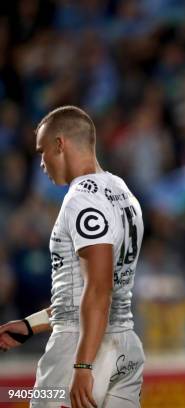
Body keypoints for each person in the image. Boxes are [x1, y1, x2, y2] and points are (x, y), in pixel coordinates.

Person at [0, 106, 145, 408]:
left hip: (82, 349)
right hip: (126, 346)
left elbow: (99, 288)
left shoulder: (81, 199)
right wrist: (30, 326)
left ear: (60, 145)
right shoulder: (121, 190)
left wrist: (82, 366)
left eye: (42, 152)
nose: (41, 163)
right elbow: (86, 293)